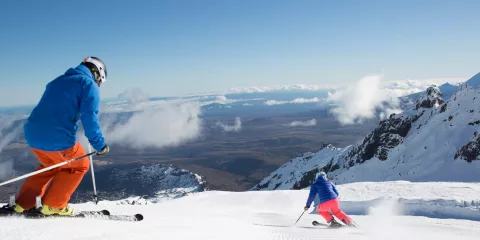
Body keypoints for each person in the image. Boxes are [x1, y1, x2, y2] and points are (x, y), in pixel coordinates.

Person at [12, 56, 110, 216]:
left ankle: (23, 204)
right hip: (57, 138)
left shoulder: (59, 80)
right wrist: (100, 145)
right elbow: (89, 117)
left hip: (32, 133)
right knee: (80, 165)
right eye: (100, 81)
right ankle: (54, 206)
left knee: (50, 165)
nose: (99, 84)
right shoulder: (88, 84)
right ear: (97, 73)